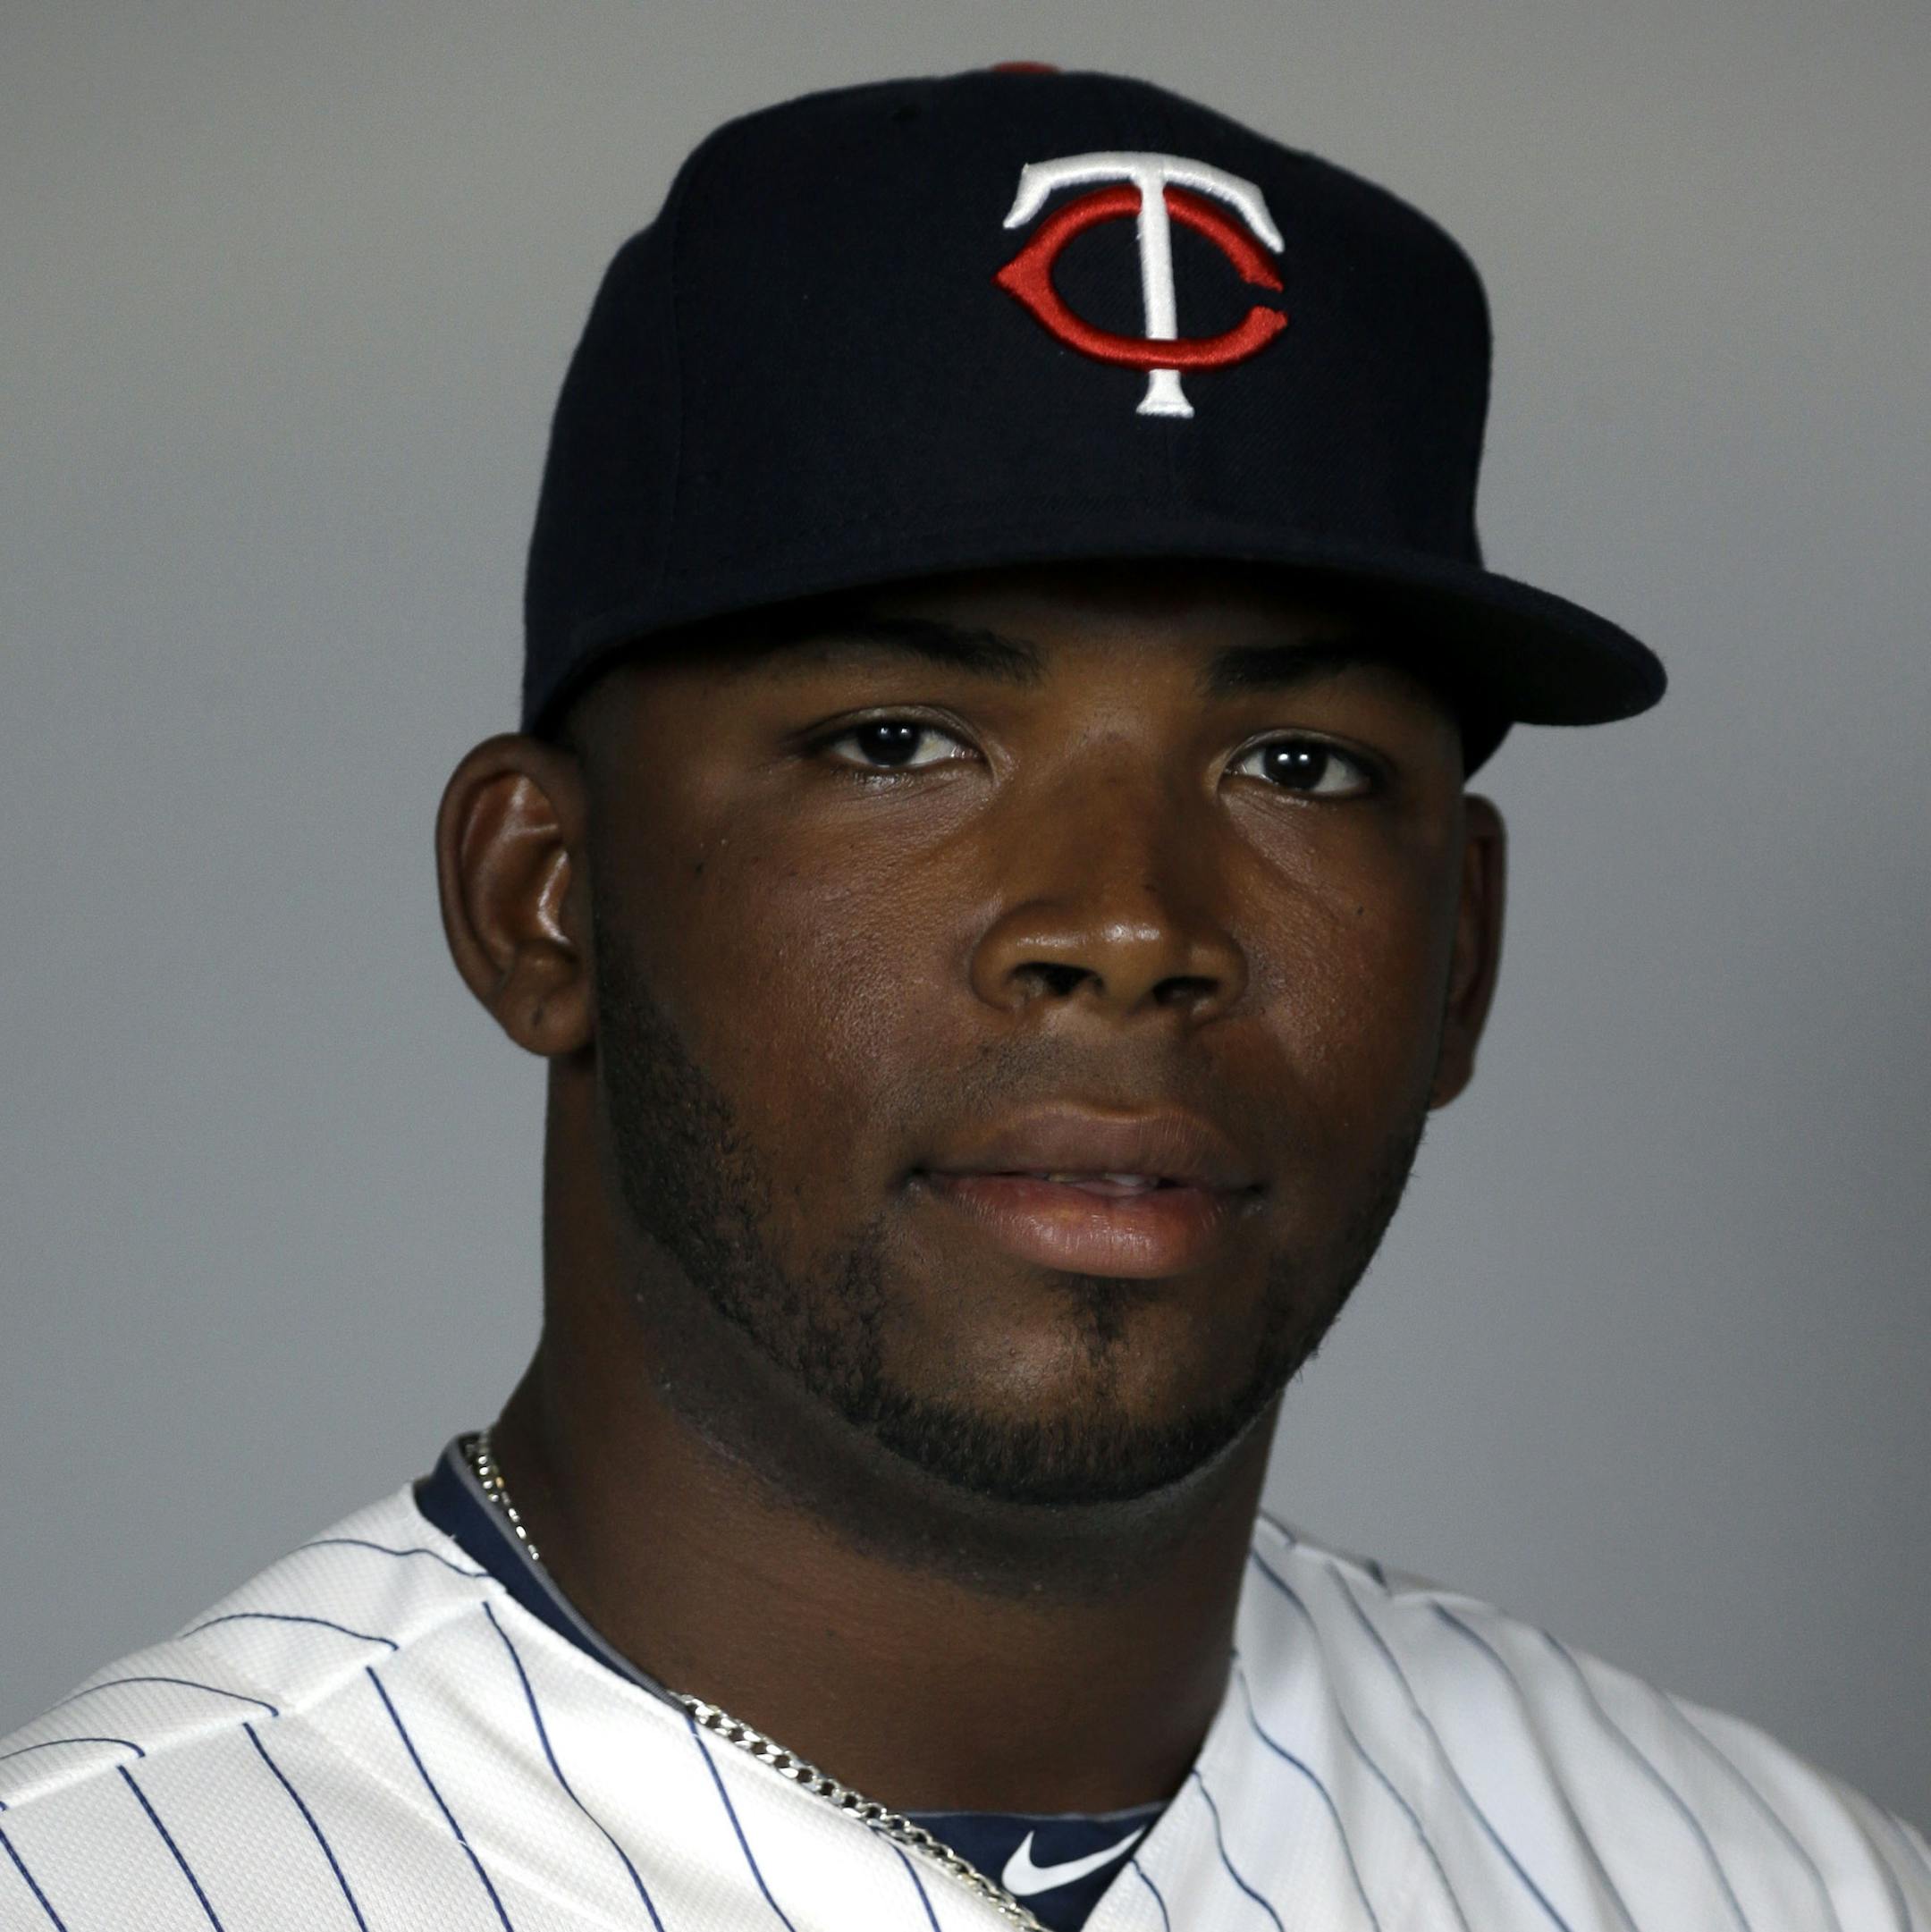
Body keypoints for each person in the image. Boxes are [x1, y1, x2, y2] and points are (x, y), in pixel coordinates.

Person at [3, 63, 1923, 1932]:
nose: (1130, 923)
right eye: (900, 739)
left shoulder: (1785, 1888)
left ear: (1463, 956)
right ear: (543, 902)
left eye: (1300, 766)